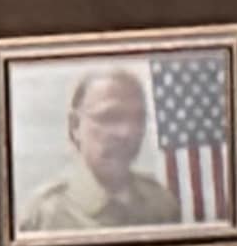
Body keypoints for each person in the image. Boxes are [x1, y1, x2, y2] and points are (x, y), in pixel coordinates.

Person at [15, 64, 182, 236]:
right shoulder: (45, 216)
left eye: (138, 119)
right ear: (75, 126)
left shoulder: (161, 206)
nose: (127, 132)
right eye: (110, 117)